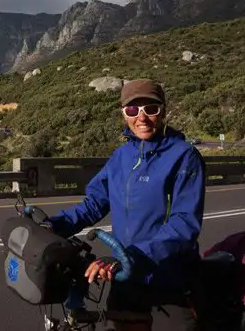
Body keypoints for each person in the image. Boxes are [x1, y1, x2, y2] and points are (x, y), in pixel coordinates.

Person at [46, 78, 206, 331]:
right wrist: (52, 225)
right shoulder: (122, 156)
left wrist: (132, 257)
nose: (141, 117)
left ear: (163, 111)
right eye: (132, 110)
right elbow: (95, 204)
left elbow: (184, 224)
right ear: (124, 114)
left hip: (169, 281)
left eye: (150, 109)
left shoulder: (184, 156)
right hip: (125, 278)